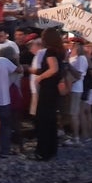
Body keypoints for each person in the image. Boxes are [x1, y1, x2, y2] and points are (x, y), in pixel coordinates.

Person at [31, 28, 63, 160]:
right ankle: (51, 149)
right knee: (50, 120)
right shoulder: (59, 51)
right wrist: (34, 71)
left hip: (48, 88)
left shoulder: (50, 51)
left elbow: (53, 69)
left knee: (43, 120)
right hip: (53, 88)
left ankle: (43, 151)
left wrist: (40, 77)